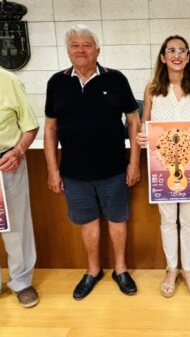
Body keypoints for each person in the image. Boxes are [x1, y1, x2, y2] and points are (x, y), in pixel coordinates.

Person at [44, 24, 141, 300]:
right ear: (67, 51)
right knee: (87, 222)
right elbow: (50, 129)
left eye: (86, 44)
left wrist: (134, 163)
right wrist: (52, 170)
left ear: (97, 49)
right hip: (74, 173)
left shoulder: (116, 79)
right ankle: (93, 270)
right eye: (74, 45)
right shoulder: (57, 82)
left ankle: (120, 270)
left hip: (114, 170)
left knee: (117, 219)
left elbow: (134, 121)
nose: (81, 50)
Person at [136, 35, 190, 298]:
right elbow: (144, 125)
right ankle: (171, 269)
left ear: (188, 56)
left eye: (182, 50)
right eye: (171, 50)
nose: (177, 55)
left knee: (189, 219)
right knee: (168, 219)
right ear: (163, 57)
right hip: (162, 165)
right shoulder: (152, 89)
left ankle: (188, 269)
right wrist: (142, 137)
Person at [0, 68, 39, 308]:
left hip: (6, 162)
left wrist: (18, 150)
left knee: (16, 226)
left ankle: (21, 281)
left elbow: (30, 126)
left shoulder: (9, 81)